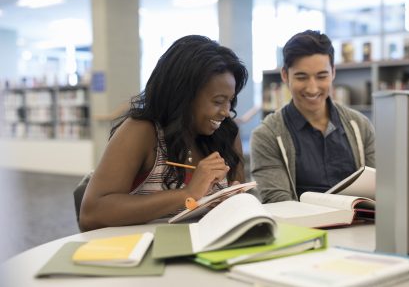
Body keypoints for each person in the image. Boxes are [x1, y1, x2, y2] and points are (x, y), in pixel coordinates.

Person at [79, 35, 248, 231]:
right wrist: (187, 194)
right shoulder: (141, 132)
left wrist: (235, 202)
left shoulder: (227, 134)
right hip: (145, 251)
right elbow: (92, 214)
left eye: (230, 101)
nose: (226, 111)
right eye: (218, 101)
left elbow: (236, 197)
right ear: (183, 95)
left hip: (210, 247)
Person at [250, 30, 375, 203]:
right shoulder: (267, 135)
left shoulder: (360, 126)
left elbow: (379, 189)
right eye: (302, 77)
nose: (312, 88)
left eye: (321, 76)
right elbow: (278, 203)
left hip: (360, 226)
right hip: (303, 228)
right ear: (285, 75)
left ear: (333, 72)